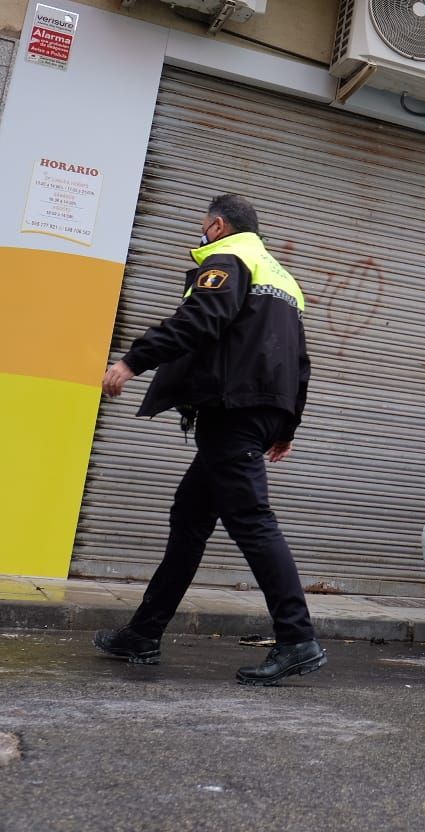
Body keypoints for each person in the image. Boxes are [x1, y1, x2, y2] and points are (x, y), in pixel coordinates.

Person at [92, 193, 324, 686]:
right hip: (259, 410)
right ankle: (143, 633)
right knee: (190, 518)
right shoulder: (283, 279)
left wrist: (134, 360)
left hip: (232, 409)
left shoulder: (229, 259)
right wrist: (287, 424)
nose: (200, 233)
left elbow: (201, 319)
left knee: (252, 521)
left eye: (203, 225)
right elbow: (300, 363)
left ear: (217, 226)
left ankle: (298, 638)